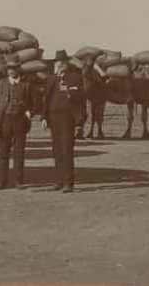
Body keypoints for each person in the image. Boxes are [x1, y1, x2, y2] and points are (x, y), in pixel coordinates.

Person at [41, 50, 85, 193]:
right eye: (57, 62)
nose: (59, 65)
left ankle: (68, 183)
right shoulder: (51, 79)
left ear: (66, 63)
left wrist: (79, 121)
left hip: (67, 118)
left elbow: (80, 101)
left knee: (67, 150)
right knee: (57, 150)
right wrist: (44, 117)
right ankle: (58, 181)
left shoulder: (75, 78)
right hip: (54, 118)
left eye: (61, 62)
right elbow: (46, 99)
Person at [0, 58, 34, 190]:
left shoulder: (26, 85)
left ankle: (19, 181)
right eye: (9, 69)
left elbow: (34, 103)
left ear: (18, 69)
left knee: (19, 152)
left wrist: (29, 112)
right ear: (7, 70)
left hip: (20, 121)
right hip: (4, 121)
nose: (11, 71)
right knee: (3, 152)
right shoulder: (1, 84)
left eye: (14, 68)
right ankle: (2, 181)